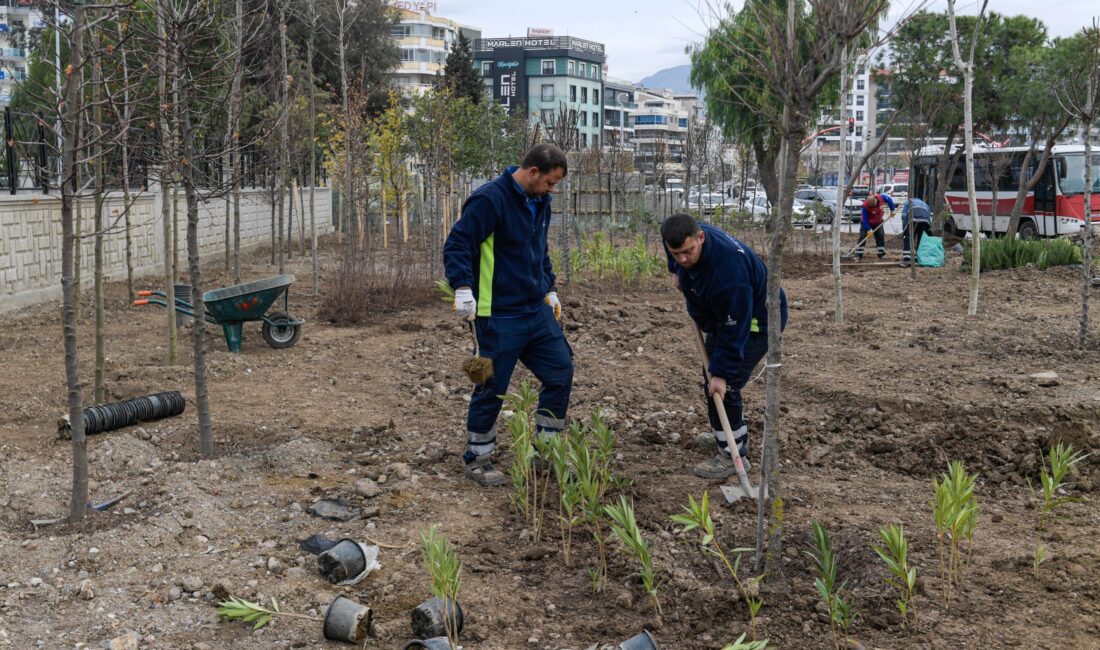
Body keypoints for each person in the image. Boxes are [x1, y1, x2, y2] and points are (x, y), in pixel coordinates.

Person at [443, 144, 573, 487]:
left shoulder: (539, 201)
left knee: (560, 370)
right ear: (533, 172)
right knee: (491, 384)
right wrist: (462, 287)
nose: (552, 190)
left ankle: (545, 453)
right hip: (496, 314)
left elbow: (538, 249)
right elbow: (458, 244)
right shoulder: (490, 200)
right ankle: (478, 458)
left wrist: (549, 287)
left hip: (534, 309)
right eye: (550, 182)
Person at [661, 213, 788, 479]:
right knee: (712, 379)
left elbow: (735, 329)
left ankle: (733, 454)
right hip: (725, 316)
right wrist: (676, 271)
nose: (682, 259)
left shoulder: (729, 274)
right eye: (676, 254)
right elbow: (673, 247)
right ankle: (725, 435)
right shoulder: (682, 237)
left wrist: (722, 373)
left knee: (725, 385)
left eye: (688, 252)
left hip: (756, 321)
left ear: (701, 238)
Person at [856, 192, 896, 261]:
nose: (873, 208)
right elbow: (864, 220)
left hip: (878, 222)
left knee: (880, 236)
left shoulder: (881, 197)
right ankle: (858, 254)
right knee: (862, 236)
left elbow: (889, 200)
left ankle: (881, 253)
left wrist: (892, 210)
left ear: (876, 201)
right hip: (867, 223)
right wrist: (869, 229)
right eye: (871, 207)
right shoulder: (865, 206)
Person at [899, 195, 932, 267]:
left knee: (908, 237)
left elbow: (904, 215)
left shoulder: (908, 202)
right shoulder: (924, 203)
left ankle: (907, 258)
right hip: (925, 221)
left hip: (912, 218)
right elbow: (929, 215)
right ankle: (919, 257)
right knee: (922, 239)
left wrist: (905, 229)